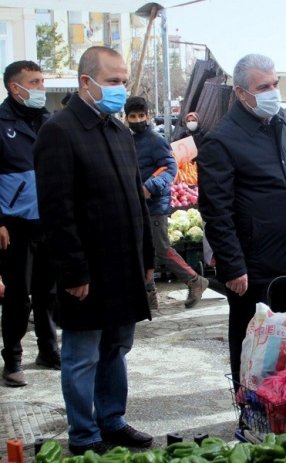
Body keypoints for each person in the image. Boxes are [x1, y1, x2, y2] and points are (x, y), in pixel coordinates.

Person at [34, 46, 155, 455]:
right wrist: (73, 272)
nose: (121, 88)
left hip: (124, 265)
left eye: (124, 81)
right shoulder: (60, 131)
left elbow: (136, 201)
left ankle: (112, 420)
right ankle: (83, 434)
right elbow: (56, 210)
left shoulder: (120, 131)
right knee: (82, 355)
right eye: (113, 81)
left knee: (117, 349)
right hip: (87, 270)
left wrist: (147, 260)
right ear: (86, 82)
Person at [197, 53, 286, 385]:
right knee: (251, 341)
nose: (272, 92)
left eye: (275, 84)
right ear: (241, 93)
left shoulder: (283, 126)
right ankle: (250, 406)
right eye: (263, 87)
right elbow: (216, 211)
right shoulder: (222, 139)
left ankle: (283, 402)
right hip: (251, 265)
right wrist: (233, 265)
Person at [0, 60, 60, 387]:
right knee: (17, 296)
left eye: (41, 81)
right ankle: (12, 358)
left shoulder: (48, 121)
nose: (41, 88)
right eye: (34, 82)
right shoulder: (1, 122)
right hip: (15, 224)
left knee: (48, 292)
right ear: (15, 87)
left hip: (48, 222)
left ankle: (48, 349)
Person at [124, 96, 209, 310]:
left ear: (148, 116)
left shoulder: (155, 140)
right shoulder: (128, 140)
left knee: (161, 248)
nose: (137, 120)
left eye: (141, 116)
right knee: (143, 250)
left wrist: (149, 187)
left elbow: (170, 168)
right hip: (136, 205)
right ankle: (149, 294)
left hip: (154, 205)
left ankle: (195, 280)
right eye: (132, 116)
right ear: (126, 118)